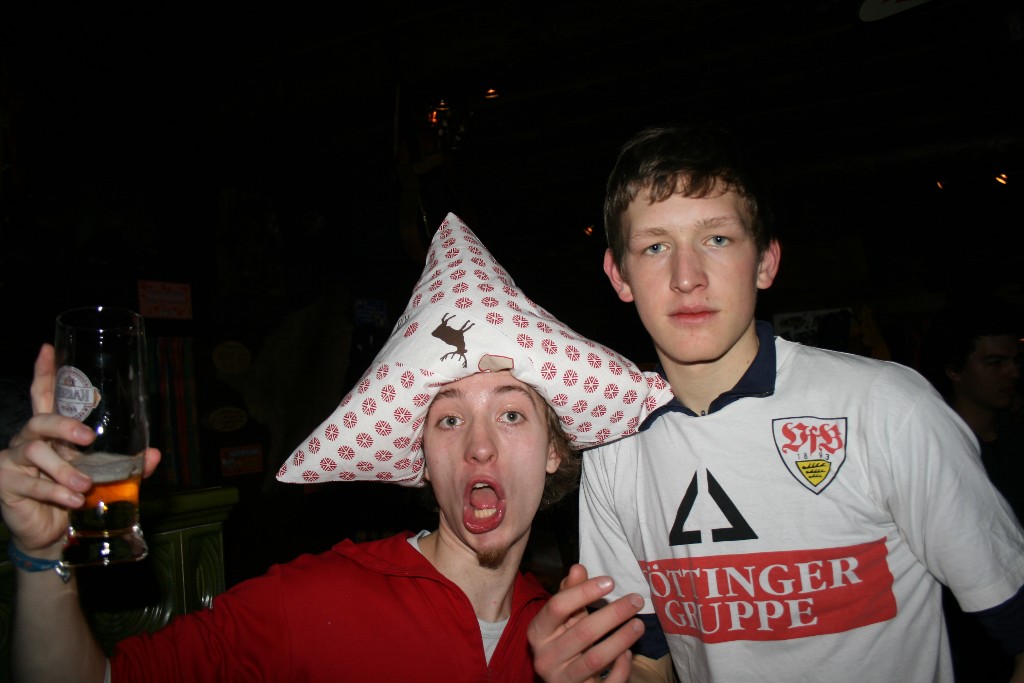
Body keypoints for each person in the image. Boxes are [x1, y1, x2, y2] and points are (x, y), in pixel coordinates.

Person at [0, 214, 673, 682]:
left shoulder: (570, 638)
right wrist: (38, 556)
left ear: (555, 450)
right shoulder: (310, 602)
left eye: (512, 414)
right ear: (420, 458)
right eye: (447, 419)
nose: (478, 447)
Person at [527, 123, 1024, 682]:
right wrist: (593, 674)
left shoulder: (887, 408)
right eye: (655, 246)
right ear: (620, 276)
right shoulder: (614, 444)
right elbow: (650, 663)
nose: (687, 278)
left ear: (765, 262)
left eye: (717, 239)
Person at [923, 298, 1024, 681]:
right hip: (967, 648)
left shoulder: (1016, 440)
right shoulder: (931, 453)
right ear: (954, 370)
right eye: (995, 363)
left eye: (1015, 361)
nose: (1012, 373)